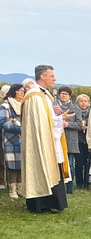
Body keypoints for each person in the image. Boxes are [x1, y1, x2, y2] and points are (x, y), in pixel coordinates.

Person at [20, 65, 69, 213]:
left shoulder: (45, 94)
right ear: (42, 76)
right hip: (39, 140)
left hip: (49, 138)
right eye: (51, 76)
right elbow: (40, 122)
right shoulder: (34, 96)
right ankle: (40, 204)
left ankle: (53, 202)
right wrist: (60, 119)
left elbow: (48, 117)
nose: (54, 78)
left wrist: (58, 116)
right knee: (41, 166)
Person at [0, 84, 25, 199]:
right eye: (20, 91)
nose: (22, 93)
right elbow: (3, 122)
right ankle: (12, 189)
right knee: (12, 165)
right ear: (14, 91)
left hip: (23, 139)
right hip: (10, 139)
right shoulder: (5, 106)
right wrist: (18, 128)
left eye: (23, 91)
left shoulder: (24, 105)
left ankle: (20, 188)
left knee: (21, 164)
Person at [55, 86, 81, 194]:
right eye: (62, 93)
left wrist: (68, 124)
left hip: (70, 140)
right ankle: (58, 186)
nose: (63, 96)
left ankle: (69, 186)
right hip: (56, 139)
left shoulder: (75, 108)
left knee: (70, 165)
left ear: (70, 96)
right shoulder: (53, 106)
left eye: (66, 94)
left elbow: (80, 124)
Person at [75, 94, 91, 189]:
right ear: (78, 103)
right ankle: (79, 182)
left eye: (85, 101)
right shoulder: (74, 112)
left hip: (89, 140)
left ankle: (87, 182)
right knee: (79, 162)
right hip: (79, 140)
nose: (83, 103)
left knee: (88, 162)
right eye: (81, 101)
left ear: (88, 103)